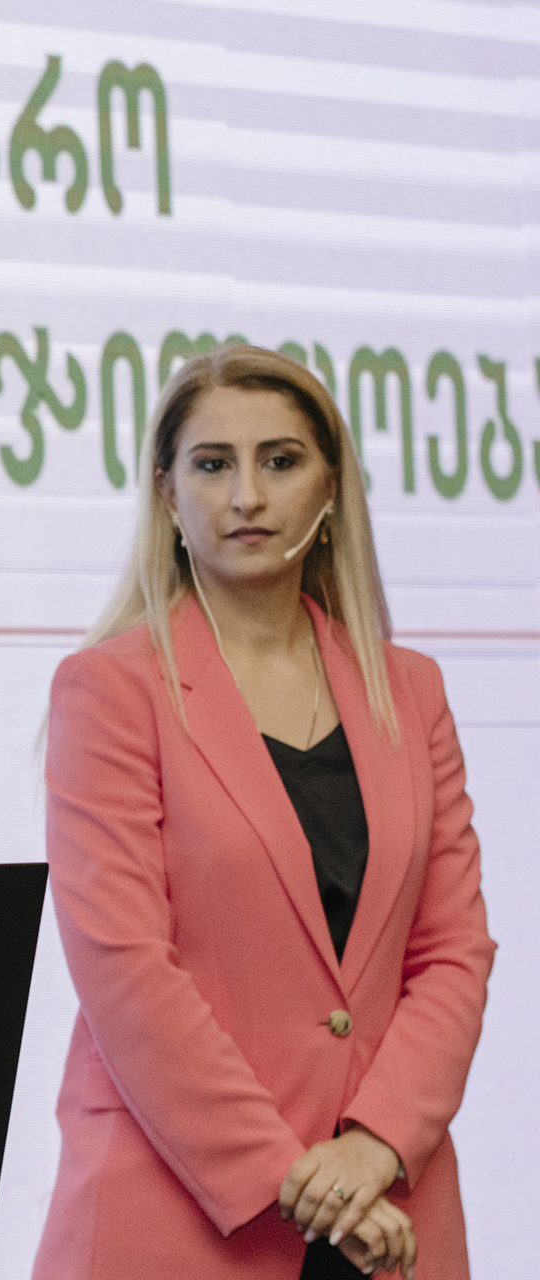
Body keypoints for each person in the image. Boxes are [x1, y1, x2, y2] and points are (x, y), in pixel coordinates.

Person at [33, 345, 494, 1280]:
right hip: (182, 1219)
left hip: (390, 1208)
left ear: (332, 487)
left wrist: (377, 1144)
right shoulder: (109, 691)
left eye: (280, 461)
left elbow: (452, 951)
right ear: (167, 495)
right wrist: (293, 1179)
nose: (247, 494)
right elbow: (127, 973)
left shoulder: (410, 691)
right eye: (213, 464)